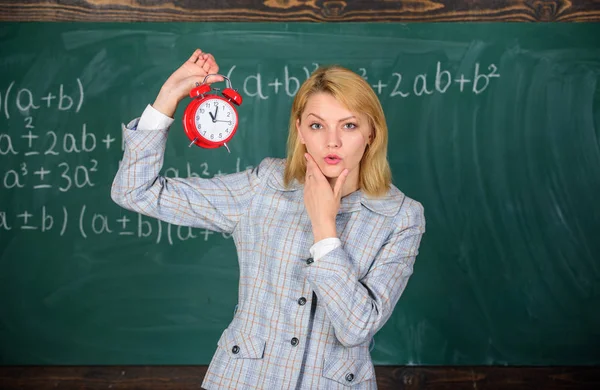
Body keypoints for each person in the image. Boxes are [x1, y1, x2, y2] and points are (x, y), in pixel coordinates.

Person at [111, 49, 425, 390]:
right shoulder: (263, 186)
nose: (332, 141)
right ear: (300, 131)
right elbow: (134, 191)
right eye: (317, 125)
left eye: (349, 125)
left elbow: (355, 327)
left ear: (371, 134)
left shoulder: (401, 217)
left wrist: (324, 227)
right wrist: (168, 96)